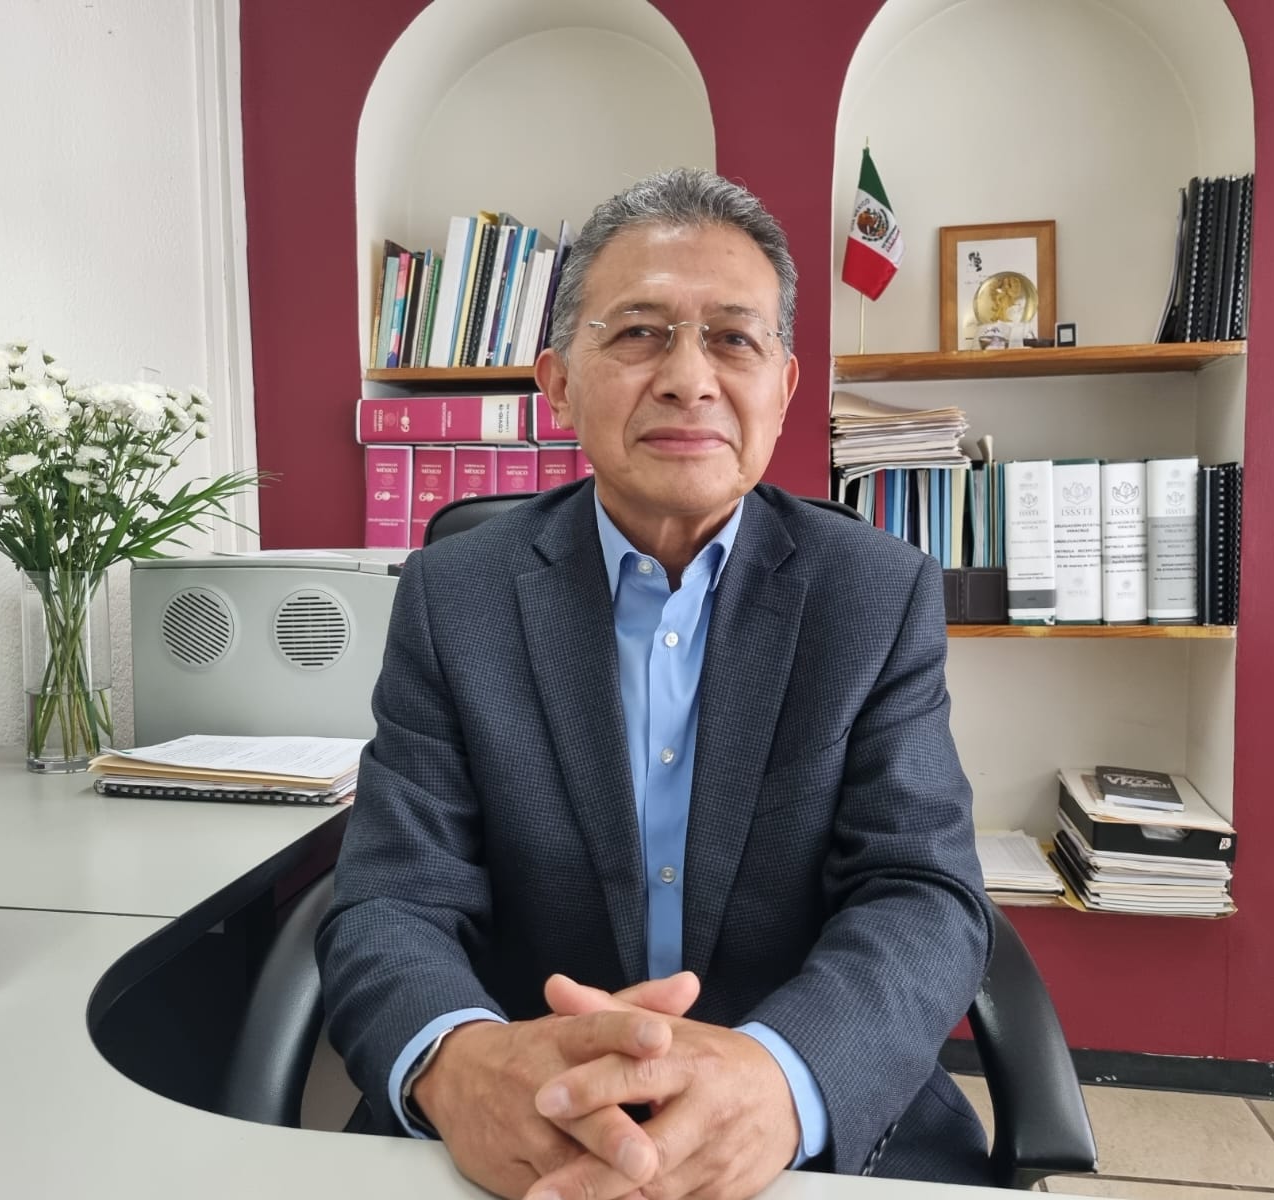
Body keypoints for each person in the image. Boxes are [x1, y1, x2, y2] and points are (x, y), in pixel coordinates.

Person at [317, 168, 995, 1200]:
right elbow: (392, 895)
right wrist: (460, 1062)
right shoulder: (455, 595)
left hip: (794, 1115)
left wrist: (781, 1078)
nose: (688, 378)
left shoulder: (874, 593)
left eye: (733, 339)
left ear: (784, 387)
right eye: (638, 333)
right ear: (556, 383)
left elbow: (922, 893)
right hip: (527, 1105)